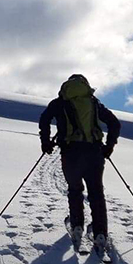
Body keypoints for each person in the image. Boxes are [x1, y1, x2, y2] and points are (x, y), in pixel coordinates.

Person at [39, 74, 120, 253]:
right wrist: (109, 146)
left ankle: (77, 227)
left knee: (75, 189)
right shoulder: (93, 102)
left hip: (71, 153)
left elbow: (44, 120)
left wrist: (46, 142)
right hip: (94, 152)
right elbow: (114, 123)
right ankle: (100, 234)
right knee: (96, 192)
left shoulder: (59, 102)